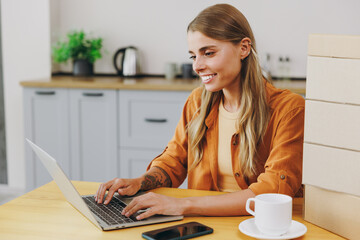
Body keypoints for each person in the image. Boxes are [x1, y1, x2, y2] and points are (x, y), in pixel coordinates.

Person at [95, 3, 304, 220]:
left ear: (244, 48)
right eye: (193, 56)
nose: (197, 66)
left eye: (209, 53)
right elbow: (173, 161)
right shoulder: (196, 102)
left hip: (259, 225)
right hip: (204, 224)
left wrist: (183, 205)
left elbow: (272, 191)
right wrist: (140, 182)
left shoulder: (290, 110)